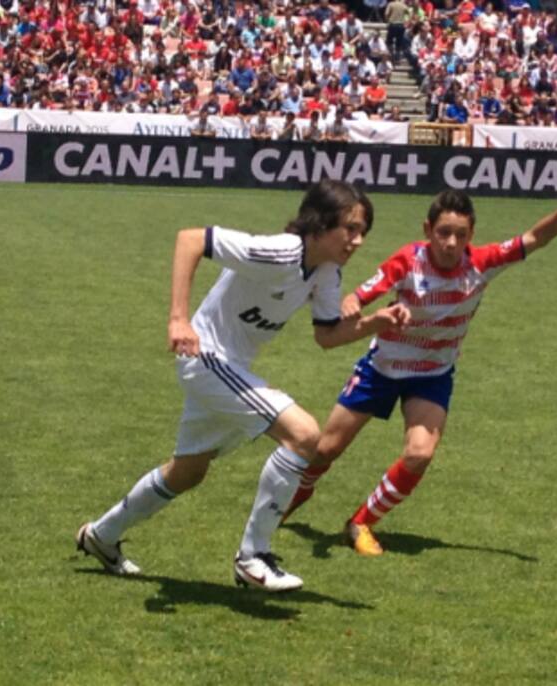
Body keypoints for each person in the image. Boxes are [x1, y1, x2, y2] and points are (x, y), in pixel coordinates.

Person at [76, 180, 411, 590]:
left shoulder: (326, 272)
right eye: (350, 228)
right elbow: (190, 240)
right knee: (304, 434)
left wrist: (376, 322)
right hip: (205, 357)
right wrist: (178, 319)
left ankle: (101, 534)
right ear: (320, 222)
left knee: (187, 473)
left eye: (363, 231)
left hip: (229, 366)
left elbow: (326, 336)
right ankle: (253, 557)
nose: (358, 240)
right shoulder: (280, 251)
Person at [281, 171, 557, 555]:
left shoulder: (482, 262)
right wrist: (351, 303)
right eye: (443, 233)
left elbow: (536, 238)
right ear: (428, 230)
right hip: (382, 368)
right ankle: (293, 496)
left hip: (431, 375)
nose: (451, 243)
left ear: (471, 235)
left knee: (420, 452)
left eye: (460, 235)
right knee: (326, 449)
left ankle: (361, 522)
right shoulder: (408, 260)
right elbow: (362, 294)